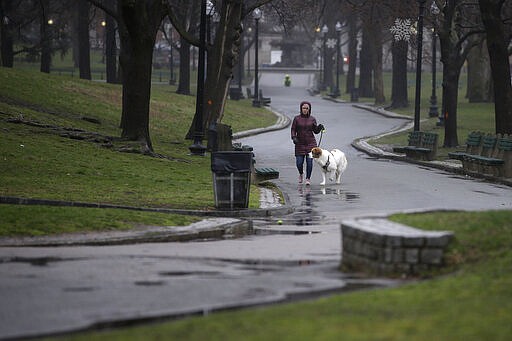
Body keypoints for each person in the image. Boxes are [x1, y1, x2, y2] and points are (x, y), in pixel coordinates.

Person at [290, 101, 324, 185]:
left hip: (311, 143)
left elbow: (315, 131)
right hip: (299, 143)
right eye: (303, 108)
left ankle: (308, 178)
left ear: (309, 109)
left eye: (307, 108)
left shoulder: (312, 119)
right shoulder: (297, 118)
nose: (305, 110)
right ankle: (301, 173)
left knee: (309, 162)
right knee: (299, 163)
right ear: (301, 109)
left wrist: (319, 128)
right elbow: (293, 129)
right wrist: (294, 137)